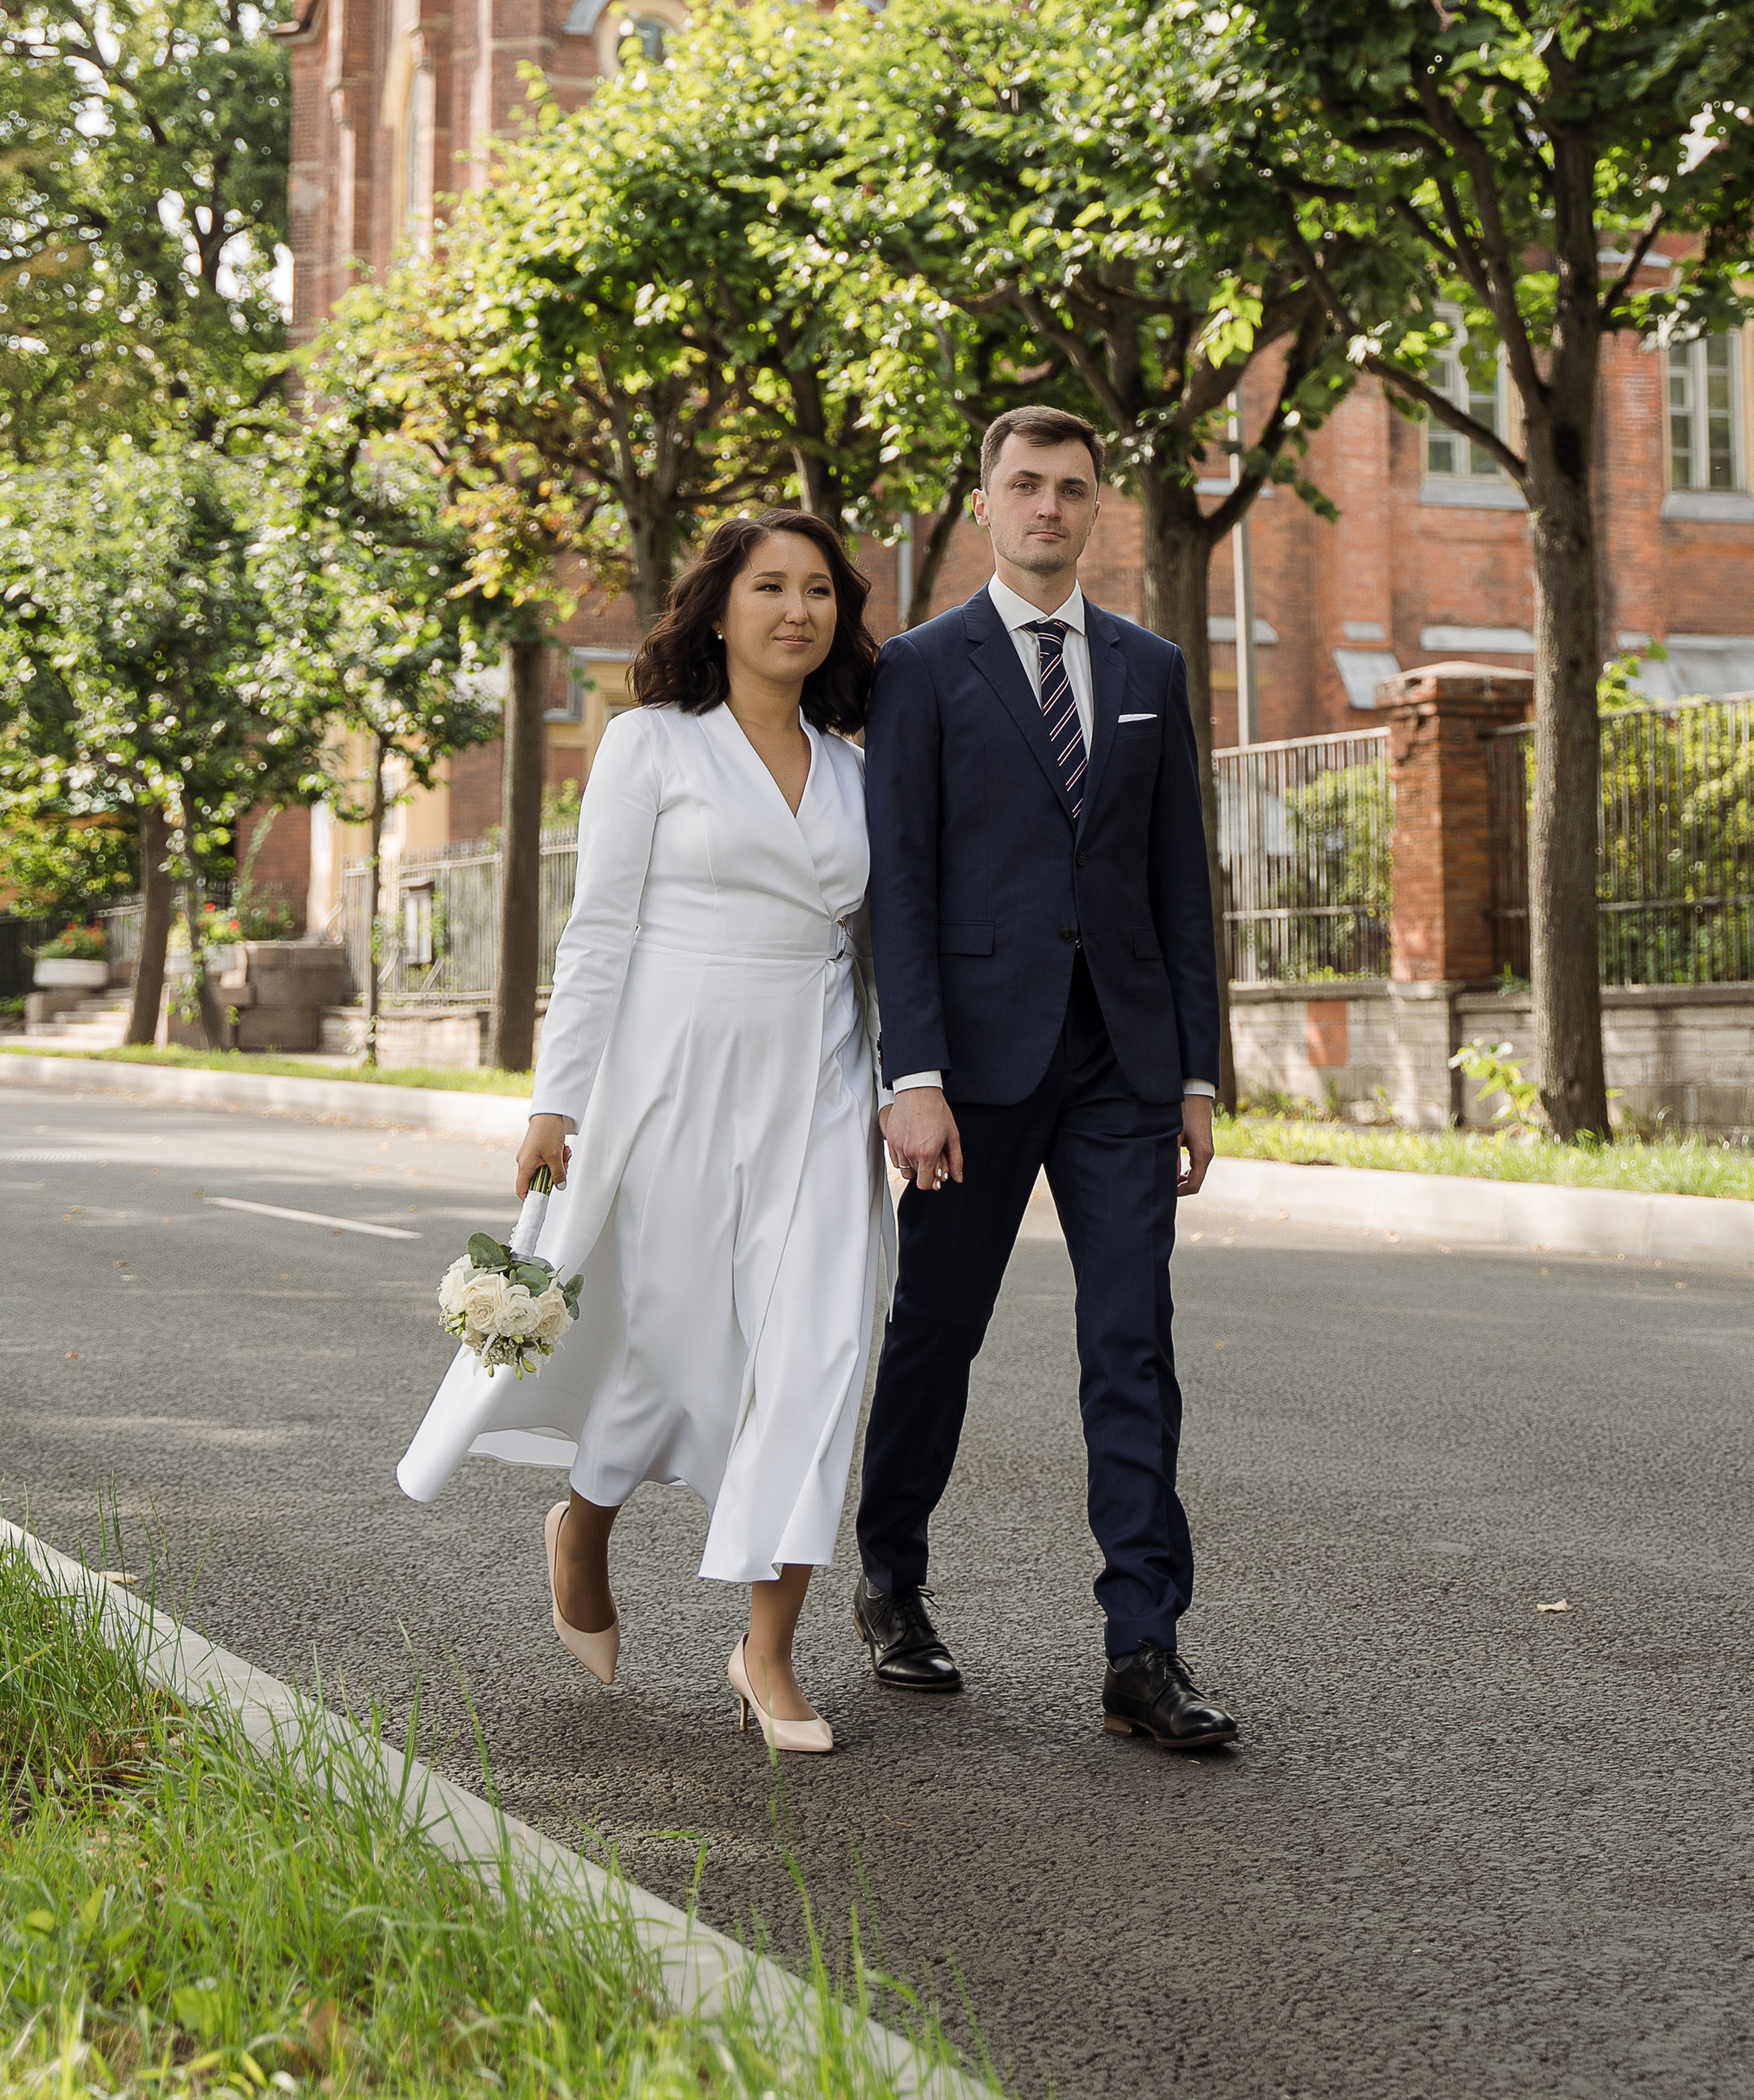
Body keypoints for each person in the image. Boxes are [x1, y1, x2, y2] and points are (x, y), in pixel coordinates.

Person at [400, 512, 886, 1756]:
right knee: (668, 1350)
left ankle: (767, 1655)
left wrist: (901, 1088)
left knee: (819, 1354)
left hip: (818, 1082)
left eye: (819, 590)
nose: (797, 609)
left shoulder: (858, 772)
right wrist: (552, 1101)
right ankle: (584, 1520)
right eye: (769, 586)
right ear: (717, 610)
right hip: (668, 1077)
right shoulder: (650, 746)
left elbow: (874, 951)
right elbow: (599, 932)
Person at [851, 407, 1239, 1752]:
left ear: (1097, 506)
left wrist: (1194, 1070)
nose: (1050, 508)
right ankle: (890, 1579)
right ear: (985, 503)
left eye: (1073, 489)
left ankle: (1145, 1645)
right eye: (1027, 485)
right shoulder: (918, 668)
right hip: (974, 1068)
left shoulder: (1150, 664)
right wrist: (913, 1072)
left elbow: (1180, 884)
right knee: (938, 1330)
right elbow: (899, 882)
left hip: (1121, 1064)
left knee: (1131, 1344)